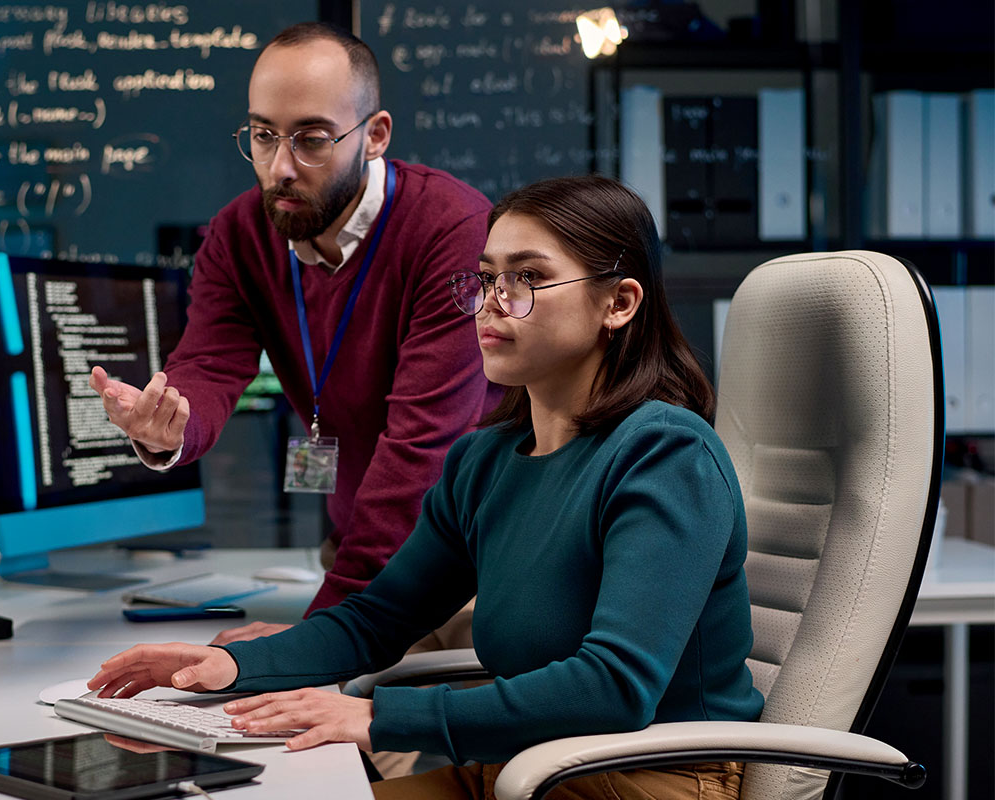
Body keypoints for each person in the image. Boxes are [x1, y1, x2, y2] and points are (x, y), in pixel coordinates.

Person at [86, 175, 766, 800]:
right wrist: (229, 665)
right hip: (522, 765)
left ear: (617, 303)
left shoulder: (665, 455)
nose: (493, 305)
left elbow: (615, 687)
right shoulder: (484, 460)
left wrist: (379, 717)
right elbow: (377, 621)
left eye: (527, 279)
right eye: (485, 279)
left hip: (649, 778)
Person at [88, 22, 493, 644]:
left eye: (311, 139)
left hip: (470, 561)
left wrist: (312, 640)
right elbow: (211, 362)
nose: (280, 168)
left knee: (361, 724)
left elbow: (423, 452)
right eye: (262, 136)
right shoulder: (239, 234)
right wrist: (172, 425)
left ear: (375, 136)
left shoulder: (452, 230)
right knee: (289, 732)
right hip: (362, 552)